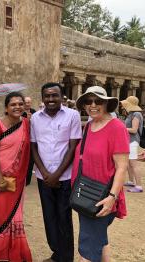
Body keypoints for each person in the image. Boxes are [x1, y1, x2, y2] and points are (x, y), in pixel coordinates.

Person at [72, 86, 128, 261]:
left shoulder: (117, 127)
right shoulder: (89, 126)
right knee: (100, 241)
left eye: (98, 101)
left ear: (106, 104)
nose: (93, 105)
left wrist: (112, 197)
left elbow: (122, 167)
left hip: (103, 198)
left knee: (87, 251)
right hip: (85, 194)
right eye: (88, 101)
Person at [30, 82, 82, 262]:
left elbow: (73, 146)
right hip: (43, 177)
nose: (51, 99)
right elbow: (34, 147)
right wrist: (45, 174)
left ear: (61, 97)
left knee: (63, 216)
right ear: (42, 98)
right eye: (47, 96)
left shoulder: (72, 115)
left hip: (65, 177)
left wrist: (56, 175)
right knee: (49, 216)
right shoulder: (35, 118)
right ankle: (56, 252)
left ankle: (66, 257)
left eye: (54, 95)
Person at [0, 92, 32, 262]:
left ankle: (16, 253)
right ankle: (1, 255)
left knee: (17, 216)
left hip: (18, 180)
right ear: (6, 108)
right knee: (2, 216)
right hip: (1, 179)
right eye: (13, 104)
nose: (17, 107)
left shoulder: (26, 124)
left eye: (20, 104)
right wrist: (0, 179)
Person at [120, 96, 144, 193]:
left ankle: (138, 186)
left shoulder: (137, 114)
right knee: (129, 163)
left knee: (134, 164)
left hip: (133, 141)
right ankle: (131, 181)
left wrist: (121, 129)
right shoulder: (132, 113)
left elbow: (134, 130)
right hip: (129, 140)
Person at [22, 96, 36, 186]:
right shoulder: (20, 113)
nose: (27, 104)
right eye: (26, 102)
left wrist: (31, 120)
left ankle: (27, 181)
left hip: (31, 139)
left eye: (29, 102)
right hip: (22, 139)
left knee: (31, 160)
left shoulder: (34, 112)